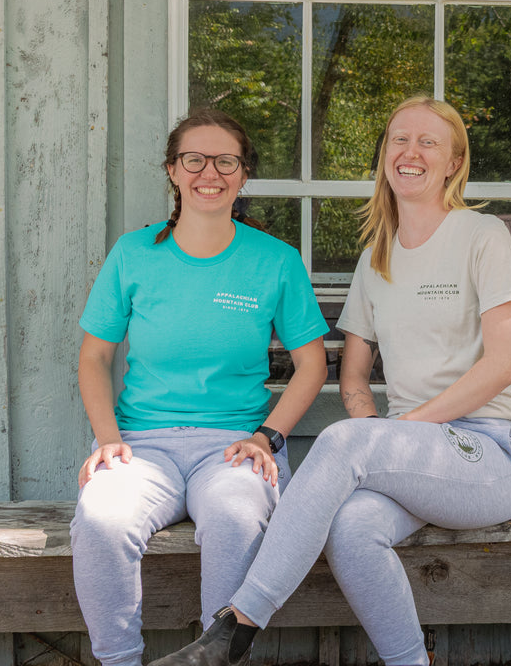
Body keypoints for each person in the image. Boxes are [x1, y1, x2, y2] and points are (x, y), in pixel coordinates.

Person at [149, 95, 511, 666]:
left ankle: (237, 625)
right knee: (351, 528)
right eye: (399, 139)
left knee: (346, 442)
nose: (410, 152)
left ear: (453, 162)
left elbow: (506, 365)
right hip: (412, 459)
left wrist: (390, 436)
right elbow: (352, 375)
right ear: (384, 155)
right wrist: (378, 433)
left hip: (487, 454)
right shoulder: (376, 257)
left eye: (429, 142)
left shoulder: (482, 235)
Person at [70, 108, 329, 666]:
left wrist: (269, 438)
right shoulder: (134, 253)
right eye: (194, 158)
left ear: (242, 174)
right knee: (100, 520)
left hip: (233, 444)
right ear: (172, 169)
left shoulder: (276, 261)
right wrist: (108, 438)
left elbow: (313, 365)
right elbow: (94, 357)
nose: (208, 172)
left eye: (225, 160)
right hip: (142, 445)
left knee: (236, 517)